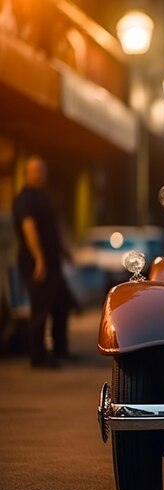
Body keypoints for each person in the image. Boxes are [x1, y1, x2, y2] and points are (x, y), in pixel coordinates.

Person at [12, 155, 77, 368]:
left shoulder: (44, 196)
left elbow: (52, 230)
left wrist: (65, 251)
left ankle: (60, 349)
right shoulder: (25, 199)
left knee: (62, 304)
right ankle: (38, 357)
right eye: (35, 170)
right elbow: (28, 228)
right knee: (40, 310)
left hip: (53, 262)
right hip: (37, 264)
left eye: (42, 169)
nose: (40, 173)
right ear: (26, 173)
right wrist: (39, 259)